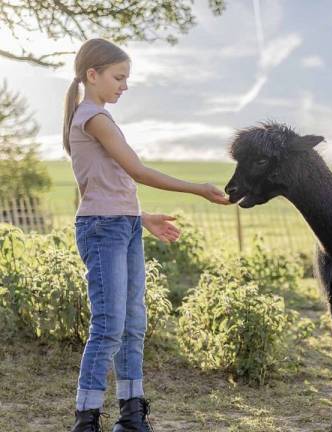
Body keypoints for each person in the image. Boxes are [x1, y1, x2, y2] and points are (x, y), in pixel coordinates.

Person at [63, 38, 231, 432]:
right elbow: (136, 171)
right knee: (108, 326)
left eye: (127, 78)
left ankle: (132, 414)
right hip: (103, 229)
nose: (125, 86)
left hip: (122, 224)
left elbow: (109, 184)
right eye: (119, 77)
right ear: (92, 74)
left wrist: (142, 217)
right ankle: (86, 420)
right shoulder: (93, 118)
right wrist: (198, 189)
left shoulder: (100, 117)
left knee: (133, 325)